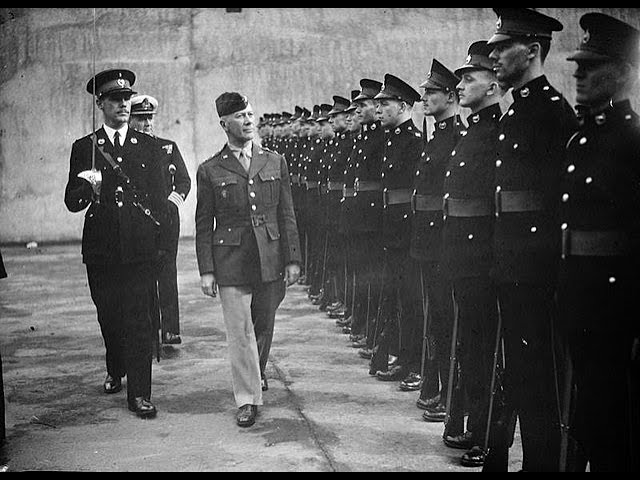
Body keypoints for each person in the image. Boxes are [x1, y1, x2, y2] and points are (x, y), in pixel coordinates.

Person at [485, 8, 579, 471]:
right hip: (511, 261)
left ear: (533, 51)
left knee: (539, 377)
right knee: (520, 373)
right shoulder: (517, 110)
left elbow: (560, 205)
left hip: (537, 268)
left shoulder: (554, 113)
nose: (494, 54)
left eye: (504, 47)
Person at [64, 68, 172, 419]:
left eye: (127, 98)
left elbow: (159, 201)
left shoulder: (150, 147)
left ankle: (140, 394)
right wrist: (87, 187)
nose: (124, 105)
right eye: (115, 99)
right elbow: (71, 201)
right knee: (109, 317)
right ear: (101, 104)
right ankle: (116, 366)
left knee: (140, 321)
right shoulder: (85, 148)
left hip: (140, 249)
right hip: (102, 249)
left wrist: (161, 247)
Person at [558, 12, 640, 472]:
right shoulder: (580, 139)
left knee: (614, 423)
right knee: (588, 415)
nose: (579, 74)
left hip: (616, 306)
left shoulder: (633, 142)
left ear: (625, 73)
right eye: (578, 64)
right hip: (580, 295)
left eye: (592, 66)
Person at [195, 92, 301, 428]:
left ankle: (255, 375)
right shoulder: (210, 169)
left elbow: (287, 215)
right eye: (240, 116)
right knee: (240, 332)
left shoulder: (275, 161)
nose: (248, 120)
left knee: (263, 325)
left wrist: (293, 259)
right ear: (224, 123)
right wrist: (207, 271)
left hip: (269, 256)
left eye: (250, 113)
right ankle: (247, 398)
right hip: (231, 260)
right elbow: (203, 224)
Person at [440, 41, 505, 467]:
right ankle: (474, 425)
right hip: (465, 259)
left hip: (485, 261)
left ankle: (486, 434)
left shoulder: (498, 133)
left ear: (494, 85)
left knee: (486, 351)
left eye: (469, 78)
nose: (460, 85)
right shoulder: (475, 131)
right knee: (471, 348)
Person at [411, 59, 463, 423]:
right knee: (437, 319)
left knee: (447, 320)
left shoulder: (457, 137)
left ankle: (449, 393)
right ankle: (437, 386)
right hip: (427, 243)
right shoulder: (436, 137)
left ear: (450, 95)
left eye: (431, 92)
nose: (424, 97)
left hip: (445, 244)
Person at [369, 74, 424, 385]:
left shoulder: (415, 142)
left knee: (412, 301)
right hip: (392, 229)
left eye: (385, 103)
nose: (380, 109)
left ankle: (415, 363)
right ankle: (403, 358)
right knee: (398, 298)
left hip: (407, 232)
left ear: (402, 106)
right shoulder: (392, 141)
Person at [129, 94, 192, 346]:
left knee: (167, 272)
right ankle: (148, 327)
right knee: (142, 275)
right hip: (139, 221)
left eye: (149, 118)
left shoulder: (167, 147)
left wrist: (170, 205)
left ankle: (170, 329)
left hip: (166, 221)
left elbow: (184, 182)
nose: (146, 124)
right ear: (131, 120)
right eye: (141, 118)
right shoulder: (128, 151)